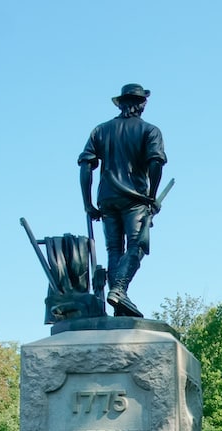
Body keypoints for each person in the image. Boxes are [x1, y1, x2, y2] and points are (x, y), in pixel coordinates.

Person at [78, 83, 168, 318]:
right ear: (141, 104)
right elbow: (156, 163)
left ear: (121, 104)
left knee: (114, 249)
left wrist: (88, 203)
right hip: (135, 199)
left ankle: (119, 300)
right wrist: (152, 197)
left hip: (107, 198)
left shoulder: (101, 130)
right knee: (138, 245)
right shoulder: (150, 131)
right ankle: (118, 290)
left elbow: (86, 166)